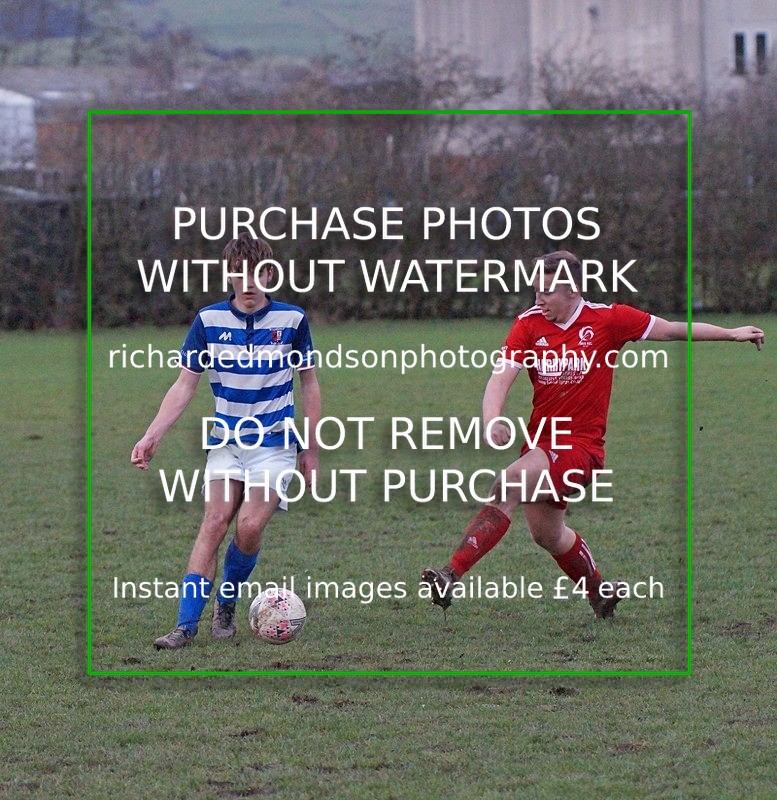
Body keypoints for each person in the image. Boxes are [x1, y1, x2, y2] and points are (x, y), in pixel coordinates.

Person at [421, 250, 764, 618]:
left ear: (574, 289)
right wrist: (491, 419)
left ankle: (450, 574)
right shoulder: (528, 324)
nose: (539, 299)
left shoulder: (608, 320)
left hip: (580, 448)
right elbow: (500, 377)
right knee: (548, 536)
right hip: (540, 445)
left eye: (548, 291)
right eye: (536, 290)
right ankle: (599, 593)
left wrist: (730, 334)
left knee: (509, 482)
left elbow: (671, 329)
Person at [131, 232, 321, 649]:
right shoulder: (208, 321)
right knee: (215, 520)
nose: (249, 283)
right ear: (229, 276)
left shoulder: (291, 321)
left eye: (257, 273)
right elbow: (184, 386)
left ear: (269, 274)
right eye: (240, 274)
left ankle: (227, 600)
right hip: (226, 443)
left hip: (274, 445)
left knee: (249, 526)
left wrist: (311, 448)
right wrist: (151, 435)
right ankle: (184, 626)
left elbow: (309, 385)